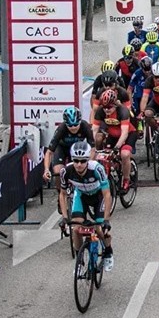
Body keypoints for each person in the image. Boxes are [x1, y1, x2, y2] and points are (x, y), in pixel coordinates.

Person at [59, 142, 114, 271]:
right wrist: (64, 217)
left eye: (83, 161)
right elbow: (62, 195)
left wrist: (106, 219)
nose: (79, 164)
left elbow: (107, 194)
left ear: (88, 160)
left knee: (100, 228)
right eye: (76, 160)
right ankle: (79, 261)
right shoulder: (66, 171)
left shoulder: (96, 169)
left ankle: (108, 251)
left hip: (98, 196)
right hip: (81, 196)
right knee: (76, 229)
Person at [44, 106, 97, 203]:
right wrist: (46, 169)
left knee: (81, 168)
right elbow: (49, 152)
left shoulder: (85, 127)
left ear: (80, 121)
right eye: (70, 126)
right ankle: (61, 195)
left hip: (77, 149)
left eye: (76, 125)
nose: (73, 128)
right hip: (62, 149)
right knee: (58, 171)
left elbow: (93, 149)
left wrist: (88, 163)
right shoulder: (61, 129)